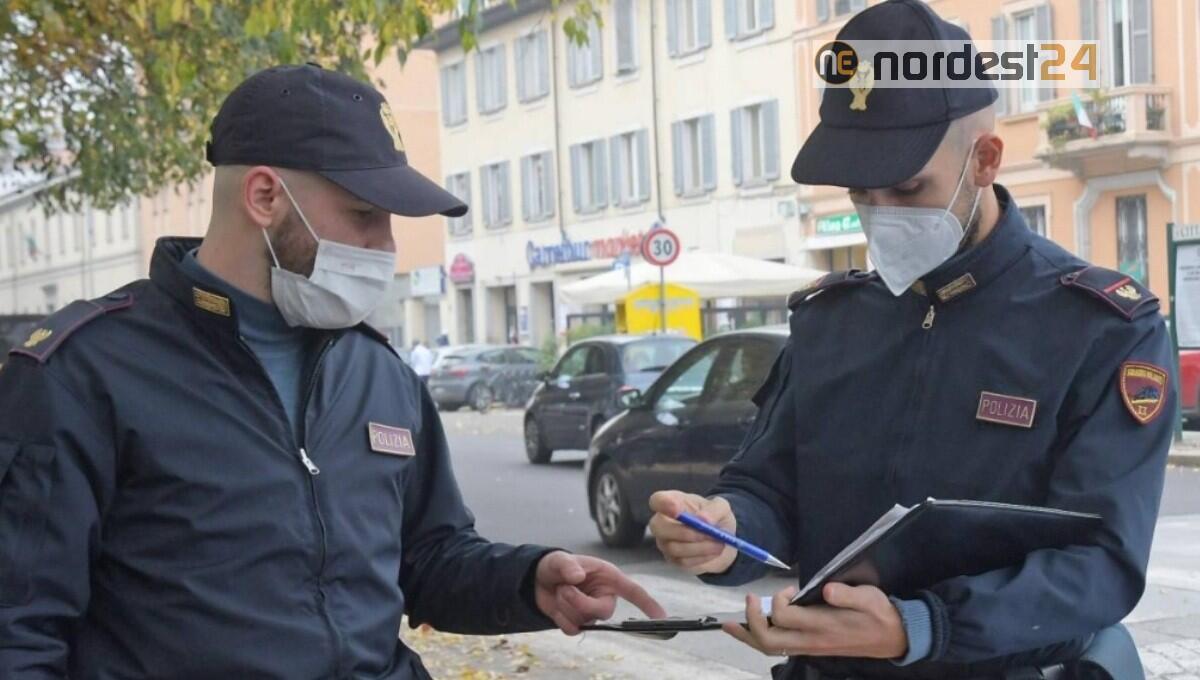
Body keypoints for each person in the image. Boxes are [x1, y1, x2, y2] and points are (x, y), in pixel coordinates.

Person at [0, 64, 663, 679]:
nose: (386, 247)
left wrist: (528, 581)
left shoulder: (376, 371)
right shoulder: (84, 372)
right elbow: (20, 630)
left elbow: (425, 557)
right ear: (265, 196)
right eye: (364, 215)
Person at [649, 2, 1175, 678]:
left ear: (985, 159)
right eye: (861, 193)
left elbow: (1101, 563)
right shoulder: (830, 321)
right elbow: (771, 494)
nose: (882, 215)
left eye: (906, 187)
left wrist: (921, 627)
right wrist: (722, 531)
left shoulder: (1100, 329)